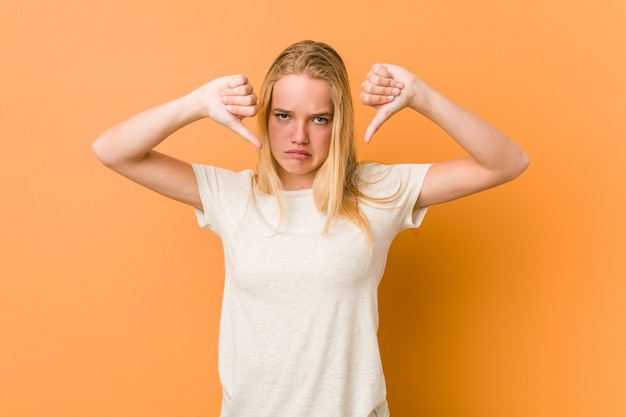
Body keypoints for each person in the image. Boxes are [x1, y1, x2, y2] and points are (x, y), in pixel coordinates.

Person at [93, 40, 529, 417]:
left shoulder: (378, 192)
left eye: (319, 119)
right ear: (264, 117)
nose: (298, 135)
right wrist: (198, 103)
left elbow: (507, 162)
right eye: (283, 115)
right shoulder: (232, 196)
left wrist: (420, 95)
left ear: (339, 124)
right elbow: (112, 150)